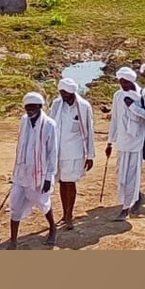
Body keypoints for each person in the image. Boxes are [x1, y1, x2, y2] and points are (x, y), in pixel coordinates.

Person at [7, 92, 58, 249]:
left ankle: (53, 228)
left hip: (40, 173)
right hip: (21, 172)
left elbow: (52, 153)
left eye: (32, 107)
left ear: (39, 107)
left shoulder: (49, 125)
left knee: (42, 203)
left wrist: (49, 177)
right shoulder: (24, 121)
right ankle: (13, 241)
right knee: (14, 203)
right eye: (27, 107)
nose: (29, 110)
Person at [105, 67, 145, 221]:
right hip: (122, 142)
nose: (123, 85)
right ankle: (136, 196)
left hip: (137, 142)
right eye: (120, 82)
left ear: (132, 80)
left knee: (132, 175)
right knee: (121, 175)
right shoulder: (118, 95)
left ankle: (125, 208)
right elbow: (114, 120)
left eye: (125, 82)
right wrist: (109, 142)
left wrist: (133, 107)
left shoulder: (144, 95)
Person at [48, 78, 95, 231]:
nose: (64, 95)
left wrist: (90, 156)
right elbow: (49, 126)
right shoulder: (56, 105)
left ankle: (69, 214)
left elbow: (89, 131)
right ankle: (64, 212)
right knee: (62, 182)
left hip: (75, 152)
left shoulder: (83, 106)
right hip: (58, 151)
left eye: (66, 93)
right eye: (61, 92)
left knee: (70, 182)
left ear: (73, 92)